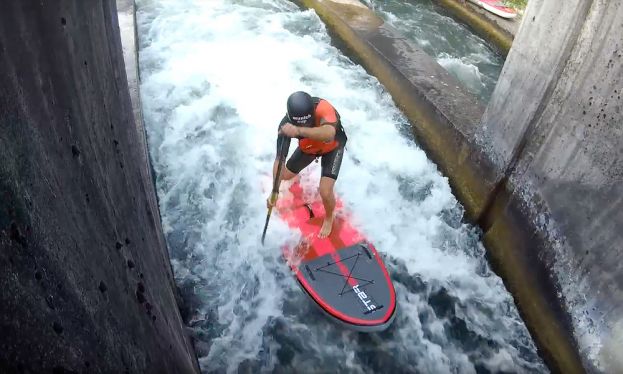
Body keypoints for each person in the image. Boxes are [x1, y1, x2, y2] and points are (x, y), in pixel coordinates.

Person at [267, 91, 347, 238]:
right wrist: (275, 191)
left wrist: (299, 130)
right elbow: (279, 160)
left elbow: (329, 133)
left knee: (325, 190)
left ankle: (329, 217)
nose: (303, 126)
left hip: (333, 148)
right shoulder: (285, 126)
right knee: (283, 175)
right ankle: (286, 181)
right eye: (298, 124)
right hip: (309, 149)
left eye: (308, 122)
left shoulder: (324, 108)